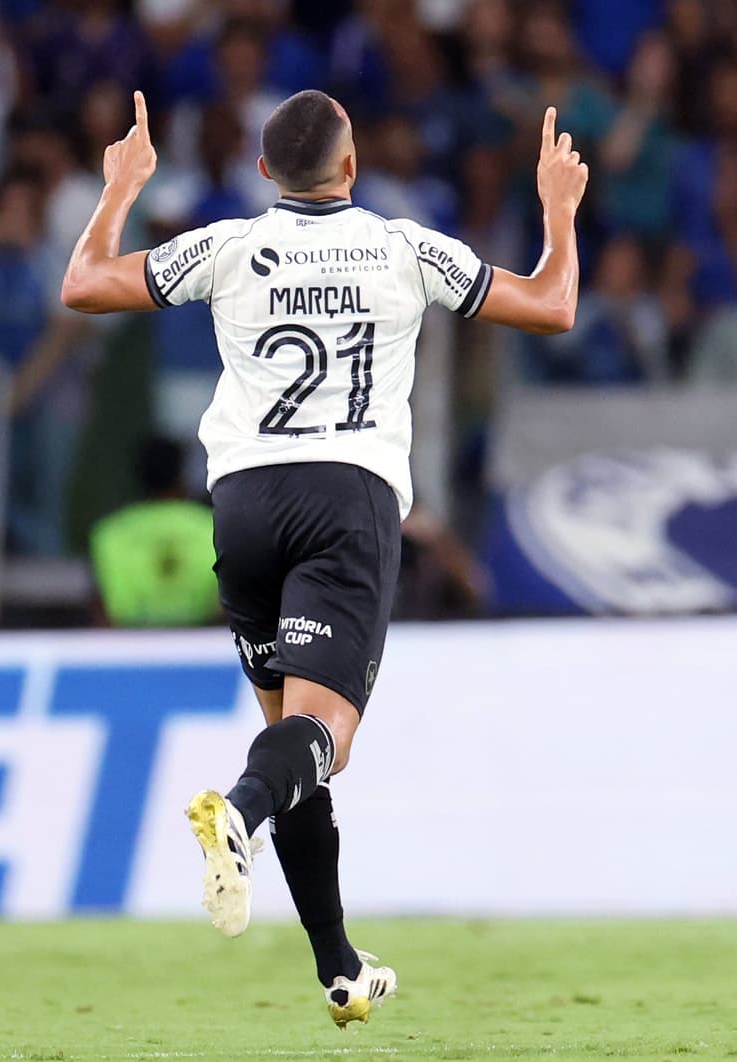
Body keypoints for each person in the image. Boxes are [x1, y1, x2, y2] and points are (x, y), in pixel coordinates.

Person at [61, 88, 587, 1027]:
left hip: (244, 504)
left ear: (266, 172)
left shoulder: (226, 244)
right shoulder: (403, 246)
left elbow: (86, 284)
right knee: (324, 740)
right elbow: (551, 306)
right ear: (352, 168)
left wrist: (122, 186)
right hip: (347, 498)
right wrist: (556, 208)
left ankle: (338, 967)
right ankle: (240, 814)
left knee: (294, 740)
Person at [89, 435, 221, 627]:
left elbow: (101, 609)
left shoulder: (109, 533)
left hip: (128, 649)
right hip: (205, 647)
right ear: (181, 475)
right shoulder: (213, 526)